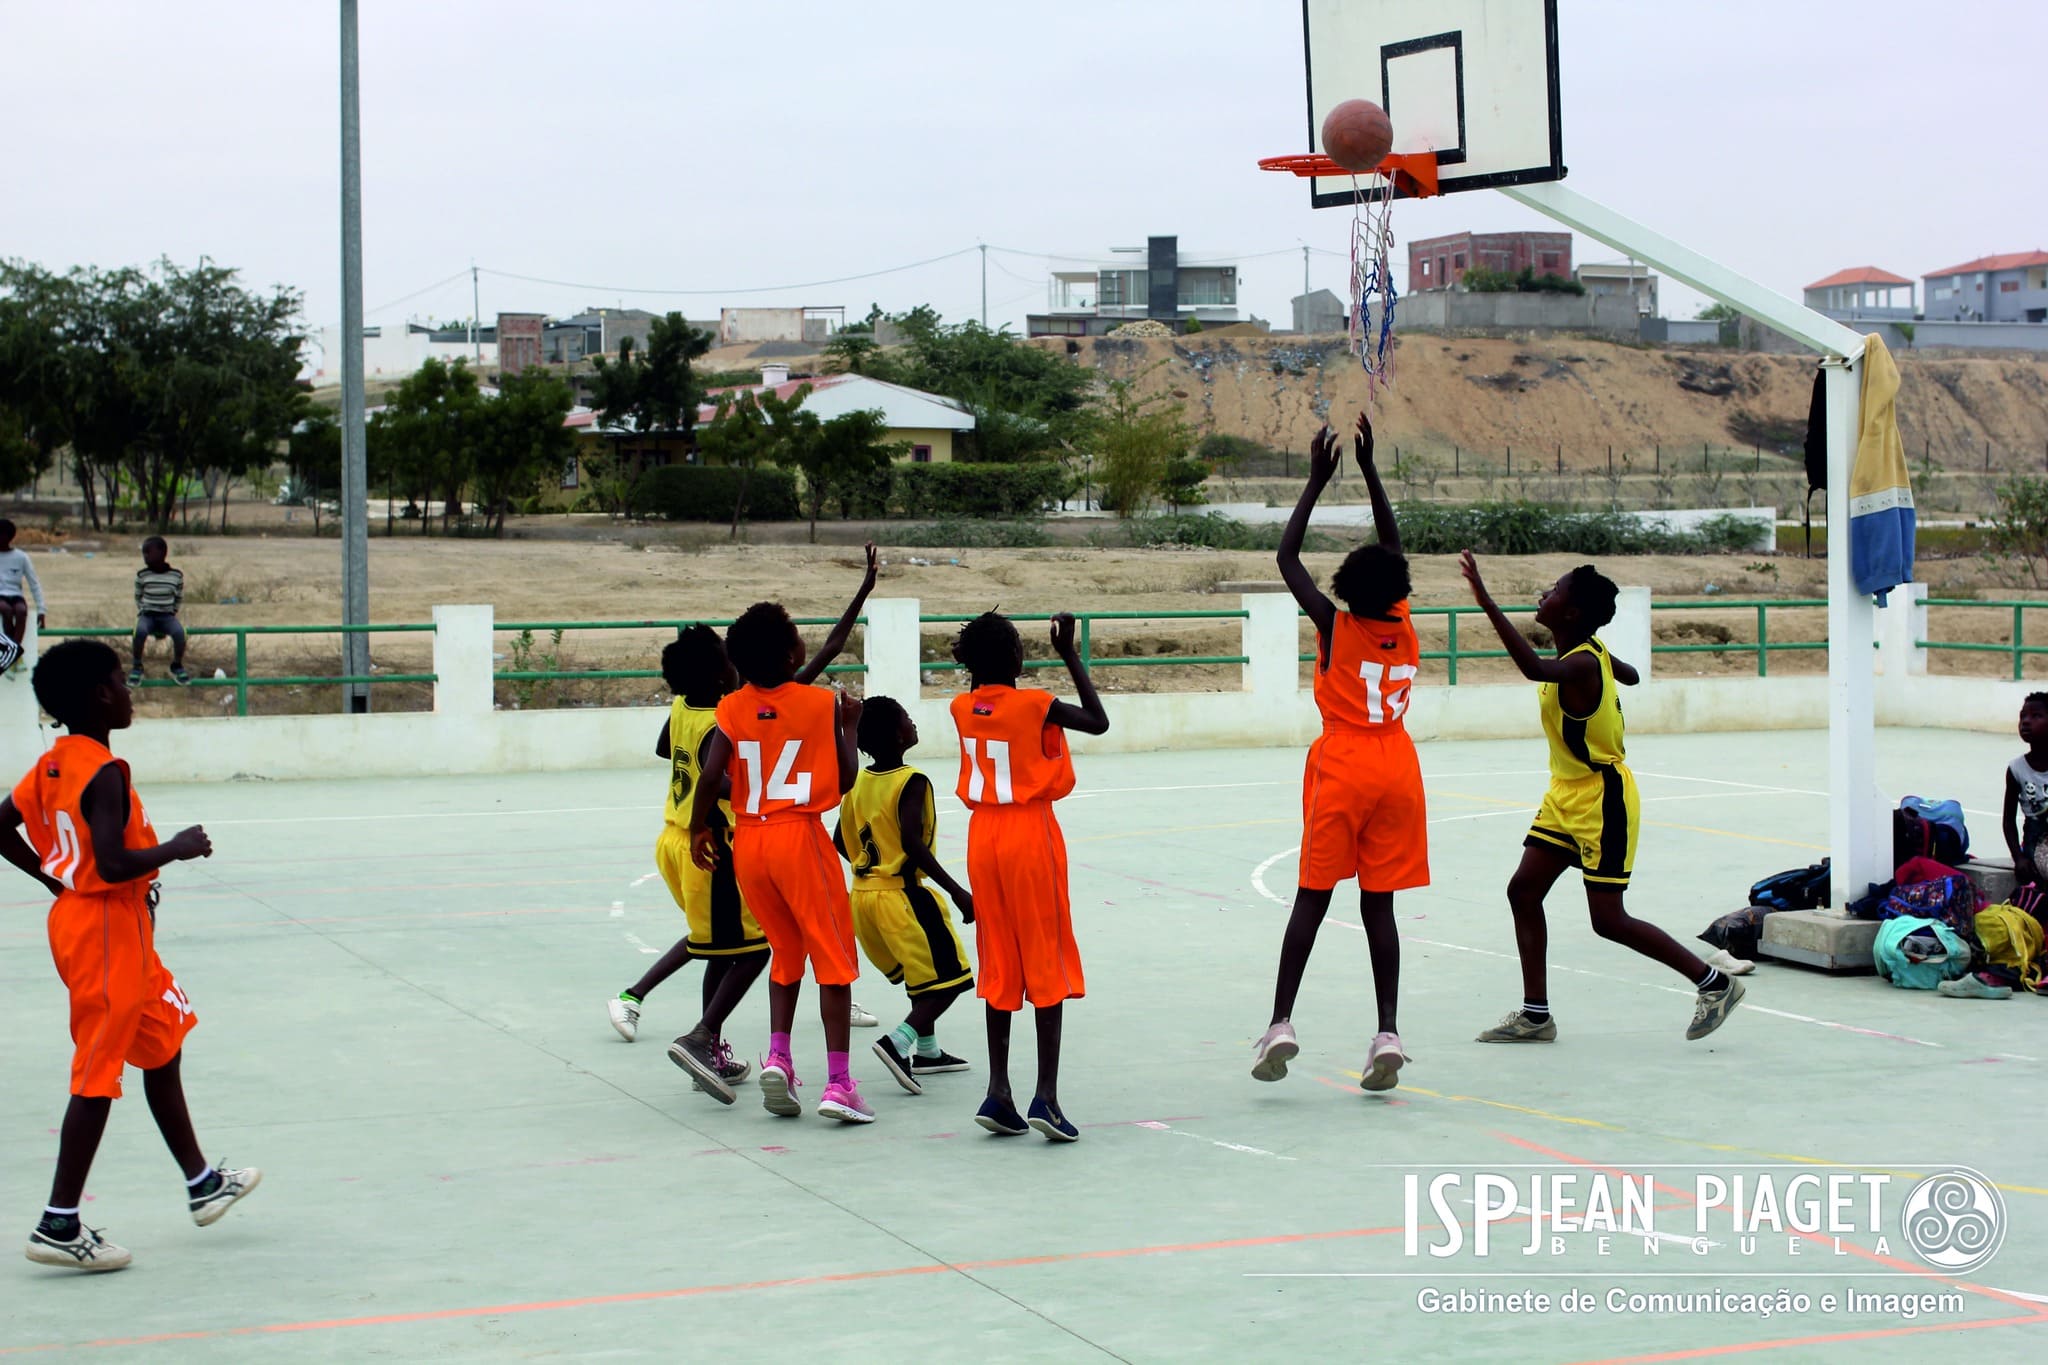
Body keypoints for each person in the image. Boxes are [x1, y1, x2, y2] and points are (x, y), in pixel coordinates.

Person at [2, 640, 258, 1272]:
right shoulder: (104, 771)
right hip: (107, 931)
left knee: (162, 1039)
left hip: (93, 923)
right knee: (97, 1073)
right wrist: (176, 847)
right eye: (120, 679)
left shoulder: (55, 762)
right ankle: (59, 1223)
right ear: (99, 696)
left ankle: (201, 1182)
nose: (128, 688)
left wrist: (55, 880)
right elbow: (114, 863)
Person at [609, 548, 884, 1062]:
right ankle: (695, 1029)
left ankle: (721, 1036)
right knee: (741, 945)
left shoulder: (711, 708)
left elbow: (677, 755)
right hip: (746, 833)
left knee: (735, 942)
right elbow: (829, 654)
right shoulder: (777, 706)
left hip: (700, 833)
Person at [1459, 555, 1745, 1043]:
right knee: (1523, 891)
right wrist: (1615, 665)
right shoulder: (1590, 651)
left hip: (1603, 799)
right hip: (1566, 794)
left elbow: (1532, 668)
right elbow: (1629, 675)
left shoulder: (1582, 662)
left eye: (1555, 589)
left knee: (1608, 920)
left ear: (1570, 613)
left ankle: (1714, 983)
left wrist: (1486, 601)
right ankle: (1536, 1016)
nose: (1544, 593)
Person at [1252, 413, 1425, 1094]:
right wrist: (1372, 469)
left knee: (1312, 898)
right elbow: (1393, 543)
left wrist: (1316, 480)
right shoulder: (1404, 623)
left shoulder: (1336, 625)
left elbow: (1287, 559)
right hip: (1399, 768)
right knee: (1378, 907)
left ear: (1349, 590)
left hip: (1345, 765)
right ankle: (1387, 1030)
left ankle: (1281, 1020)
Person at [681, 601, 870, 1122]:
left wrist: (699, 827)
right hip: (800, 838)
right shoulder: (819, 704)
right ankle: (838, 1085)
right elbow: (847, 778)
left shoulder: (734, 707)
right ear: (792, 654)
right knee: (832, 961)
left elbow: (711, 774)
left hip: (751, 842)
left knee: (785, 954)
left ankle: (781, 1058)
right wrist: (851, 726)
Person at [950, 609, 1108, 1142]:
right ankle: (1046, 1096)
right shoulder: (1037, 705)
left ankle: (998, 1091)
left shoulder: (960, 706)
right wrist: (1068, 654)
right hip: (1028, 832)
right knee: (1044, 957)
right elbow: (1097, 720)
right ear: (1016, 657)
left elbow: (987, 699)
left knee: (999, 957)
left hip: (982, 837)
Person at [833, 695, 976, 1095]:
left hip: (863, 897)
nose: (913, 723)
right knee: (950, 979)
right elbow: (914, 845)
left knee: (921, 975)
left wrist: (869, 862)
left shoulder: (856, 782)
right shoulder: (911, 780)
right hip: (902, 895)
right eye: (908, 719)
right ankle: (898, 1043)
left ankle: (928, 1052)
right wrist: (959, 892)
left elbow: (838, 841)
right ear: (898, 734)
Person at [2002, 692, 2048, 887]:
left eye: (2036, 716)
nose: (2026, 722)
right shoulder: (2016, 769)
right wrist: (2018, 858)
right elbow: (2008, 820)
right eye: (2023, 716)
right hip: (2037, 839)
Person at [132, 537, 188, 686]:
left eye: (148, 552)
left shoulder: (176, 576)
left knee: (179, 633)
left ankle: (176, 665)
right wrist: (143, 609)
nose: (145, 556)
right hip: (147, 615)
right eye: (143, 553)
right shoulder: (142, 575)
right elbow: (138, 596)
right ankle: (137, 666)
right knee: (140, 631)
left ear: (162, 552)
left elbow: (179, 597)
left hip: (167, 616)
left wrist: (172, 612)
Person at [0, 518, 47, 659]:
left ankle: (14, 650)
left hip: (15, 594)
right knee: (6, 610)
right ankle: (11, 650)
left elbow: (34, 584)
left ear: (9, 537)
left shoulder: (21, 557)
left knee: (21, 611)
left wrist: (41, 609)